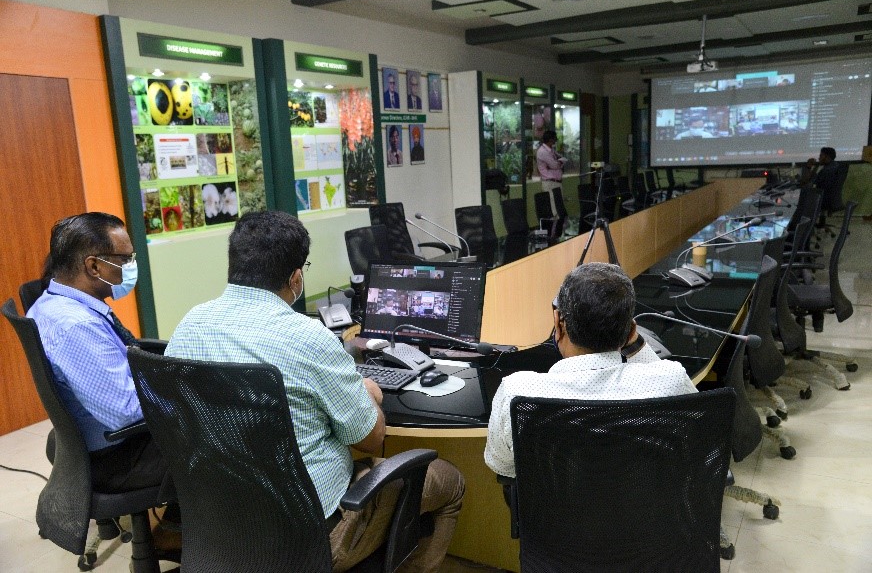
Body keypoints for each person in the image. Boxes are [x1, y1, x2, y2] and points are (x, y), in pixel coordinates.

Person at [166, 211, 464, 572]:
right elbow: (371, 439)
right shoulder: (307, 338)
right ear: (295, 277)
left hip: (222, 521)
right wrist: (368, 393)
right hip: (312, 535)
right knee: (448, 481)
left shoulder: (189, 325)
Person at [484, 262, 697, 477]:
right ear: (631, 331)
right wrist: (637, 345)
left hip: (557, 509)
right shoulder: (671, 381)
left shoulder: (518, 393)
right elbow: (700, 445)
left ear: (558, 324)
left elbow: (502, 465)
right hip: (647, 508)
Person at [27, 213, 170, 493]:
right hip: (116, 458)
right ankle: (193, 528)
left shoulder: (52, 301)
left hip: (86, 442)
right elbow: (124, 413)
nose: (131, 266)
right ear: (93, 266)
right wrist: (183, 391)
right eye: (125, 259)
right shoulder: (77, 326)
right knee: (222, 436)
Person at [802, 147, 841, 223]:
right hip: (831, 198)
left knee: (801, 199)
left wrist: (808, 167)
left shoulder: (827, 170)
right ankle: (820, 221)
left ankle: (805, 226)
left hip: (823, 199)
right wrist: (816, 165)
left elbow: (807, 182)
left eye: (821, 156)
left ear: (827, 157)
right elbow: (815, 179)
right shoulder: (834, 166)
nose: (819, 158)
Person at [536, 129, 566, 217]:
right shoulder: (543, 151)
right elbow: (555, 165)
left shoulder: (551, 150)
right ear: (550, 140)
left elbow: (559, 158)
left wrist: (558, 161)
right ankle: (553, 230)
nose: (556, 140)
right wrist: (559, 162)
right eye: (555, 138)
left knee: (559, 209)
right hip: (550, 183)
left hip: (557, 182)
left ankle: (558, 229)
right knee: (554, 210)